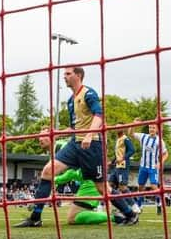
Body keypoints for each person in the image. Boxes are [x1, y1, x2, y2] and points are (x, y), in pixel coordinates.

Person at [15, 67, 139, 227]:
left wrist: (89, 135)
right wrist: (57, 133)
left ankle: (130, 214)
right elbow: (75, 127)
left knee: (102, 188)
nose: (64, 77)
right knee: (47, 171)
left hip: (92, 145)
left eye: (68, 73)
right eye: (64, 74)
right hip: (75, 144)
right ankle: (35, 218)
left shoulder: (89, 94)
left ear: (78, 75)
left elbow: (99, 116)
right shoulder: (70, 101)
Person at [130, 120, 168, 214]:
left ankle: (159, 204)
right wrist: (133, 125)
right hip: (143, 167)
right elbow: (131, 133)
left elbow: (166, 154)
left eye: (153, 128)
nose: (151, 129)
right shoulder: (143, 136)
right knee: (140, 188)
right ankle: (140, 206)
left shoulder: (160, 141)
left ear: (157, 129)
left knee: (154, 186)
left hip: (153, 168)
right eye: (150, 127)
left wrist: (160, 163)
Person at [109, 127, 139, 213]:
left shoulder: (125, 139)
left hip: (123, 166)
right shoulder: (117, 140)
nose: (116, 128)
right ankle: (114, 206)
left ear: (123, 129)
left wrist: (123, 158)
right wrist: (112, 161)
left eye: (119, 127)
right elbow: (117, 154)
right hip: (116, 167)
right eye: (116, 127)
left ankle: (134, 206)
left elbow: (132, 150)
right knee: (109, 186)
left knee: (122, 187)